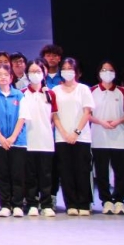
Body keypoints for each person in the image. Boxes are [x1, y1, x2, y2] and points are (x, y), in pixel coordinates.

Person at [51, 57, 94, 216]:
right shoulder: (55, 90)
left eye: (70, 68)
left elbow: (87, 112)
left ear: (76, 71)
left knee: (82, 170)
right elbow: (54, 115)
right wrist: (64, 133)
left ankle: (84, 203)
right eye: (64, 68)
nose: (67, 71)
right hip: (62, 137)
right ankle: (71, 204)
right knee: (66, 172)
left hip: (81, 137)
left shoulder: (83, 89)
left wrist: (76, 132)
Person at [90, 60, 124, 214]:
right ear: (99, 73)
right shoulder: (92, 91)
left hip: (120, 138)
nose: (107, 73)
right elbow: (87, 114)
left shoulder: (122, 92)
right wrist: (101, 122)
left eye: (110, 70)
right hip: (99, 138)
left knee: (120, 172)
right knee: (101, 172)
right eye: (104, 70)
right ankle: (106, 201)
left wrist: (117, 121)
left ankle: (119, 201)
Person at [0, 64, 27, 217]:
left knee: (18, 173)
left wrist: (13, 137)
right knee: (1, 173)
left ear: (11, 77)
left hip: (18, 141)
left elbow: (22, 117)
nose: (3, 77)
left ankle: (17, 205)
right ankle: (5, 205)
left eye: (5, 75)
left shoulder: (19, 95)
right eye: (0, 74)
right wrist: (1, 138)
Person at [20, 59, 58, 217]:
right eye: (32, 71)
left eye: (38, 71)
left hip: (46, 140)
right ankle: (31, 203)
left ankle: (46, 203)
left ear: (44, 73)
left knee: (46, 174)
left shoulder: (50, 94)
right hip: (28, 140)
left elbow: (54, 117)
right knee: (30, 175)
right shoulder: (22, 93)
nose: (35, 74)